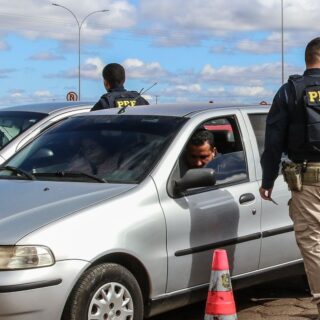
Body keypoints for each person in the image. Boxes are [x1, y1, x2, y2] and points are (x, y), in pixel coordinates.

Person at [259, 37, 320, 316]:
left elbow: (273, 141)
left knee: (312, 240)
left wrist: (268, 180)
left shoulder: (289, 91)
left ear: (307, 59)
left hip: (308, 179)